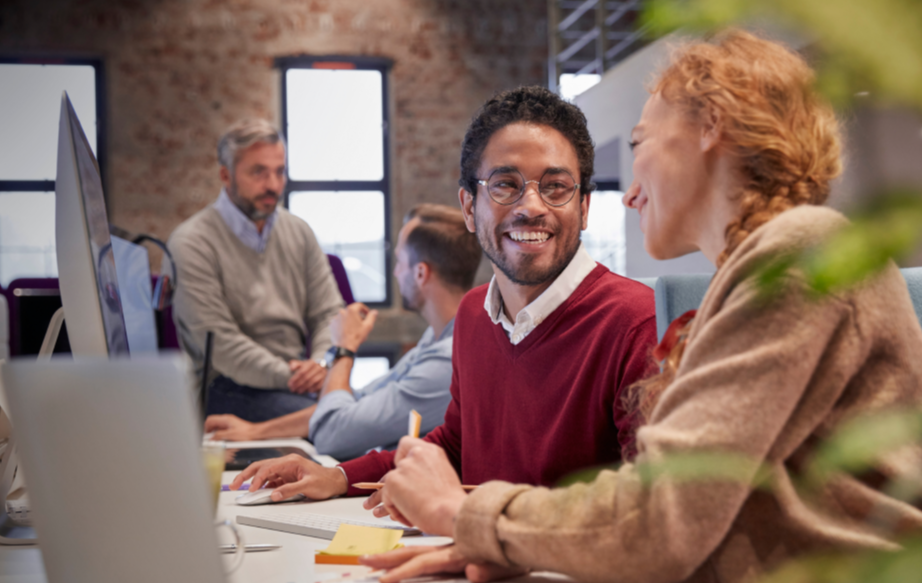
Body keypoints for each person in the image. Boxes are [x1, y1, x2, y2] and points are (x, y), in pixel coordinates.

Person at [350, 31, 922, 583]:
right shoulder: (748, 281)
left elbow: (663, 516)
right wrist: (509, 558)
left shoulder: (798, 256)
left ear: (708, 127)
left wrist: (465, 515)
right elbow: (691, 552)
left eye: (641, 143)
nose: (627, 192)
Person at [229, 86, 659, 500]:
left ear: (583, 207)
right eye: (505, 185)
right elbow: (456, 444)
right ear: (470, 207)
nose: (532, 206)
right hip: (472, 563)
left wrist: (475, 530)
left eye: (556, 187)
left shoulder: (636, 323)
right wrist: (340, 476)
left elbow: (648, 508)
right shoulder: (474, 315)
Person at [204, 204, 481, 460]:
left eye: (399, 261)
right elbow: (358, 401)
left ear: (421, 274)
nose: (395, 273)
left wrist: (344, 349)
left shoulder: (449, 360)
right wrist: (255, 432)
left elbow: (331, 435)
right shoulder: (438, 337)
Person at [169, 119, 344, 422]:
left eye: (280, 171)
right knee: (336, 424)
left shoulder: (299, 232)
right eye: (258, 172)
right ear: (226, 175)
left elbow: (329, 313)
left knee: (361, 417)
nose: (273, 185)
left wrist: (321, 364)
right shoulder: (191, 242)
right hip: (224, 387)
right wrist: (295, 377)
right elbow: (221, 344)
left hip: (295, 382)